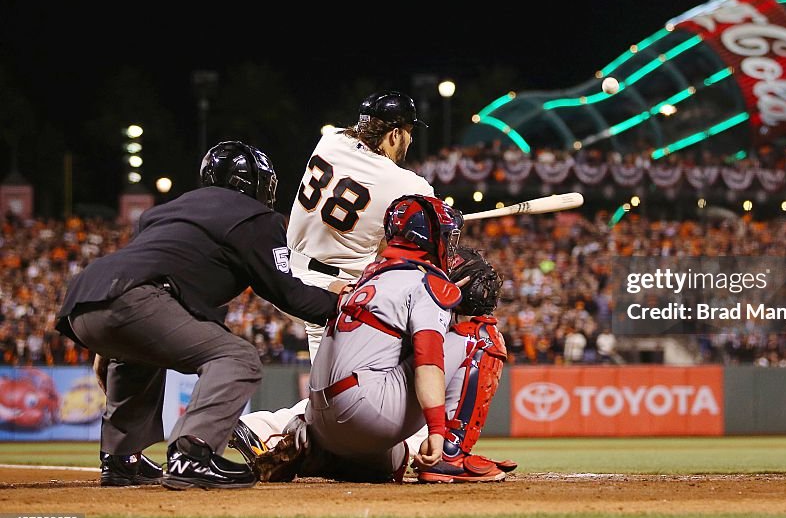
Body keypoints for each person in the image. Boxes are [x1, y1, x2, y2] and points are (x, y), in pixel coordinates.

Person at [55, 141, 342, 490]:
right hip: (136, 299)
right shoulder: (255, 216)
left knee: (138, 357)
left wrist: (109, 338)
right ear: (255, 183)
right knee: (239, 359)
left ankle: (121, 458)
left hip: (86, 297)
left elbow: (142, 266)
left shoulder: (165, 210)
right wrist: (337, 302)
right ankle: (193, 452)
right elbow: (289, 295)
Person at [237, 197, 514, 484]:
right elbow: (429, 364)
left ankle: (314, 453)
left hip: (319, 419)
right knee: (484, 335)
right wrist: (436, 430)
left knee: (395, 459)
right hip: (365, 411)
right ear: (430, 237)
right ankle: (451, 457)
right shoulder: (427, 283)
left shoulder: (369, 277)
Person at [233, 91, 439, 460]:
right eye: (407, 131)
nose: (409, 139)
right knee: (342, 393)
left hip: (286, 274)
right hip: (333, 293)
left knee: (349, 385)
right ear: (394, 134)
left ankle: (267, 429)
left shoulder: (330, 141)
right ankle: (263, 427)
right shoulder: (409, 186)